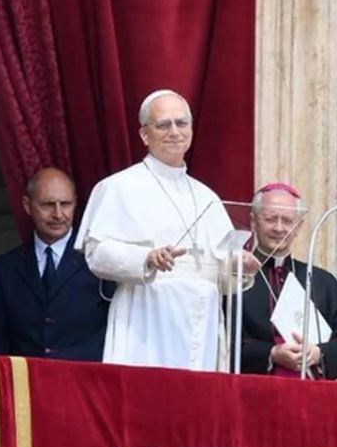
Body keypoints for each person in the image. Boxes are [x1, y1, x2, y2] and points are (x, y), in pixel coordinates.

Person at [74, 89, 258, 370]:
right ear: (145, 135)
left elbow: (221, 272)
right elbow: (96, 253)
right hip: (147, 318)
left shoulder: (207, 196)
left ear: (192, 130)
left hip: (201, 320)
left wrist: (239, 267)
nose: (174, 131)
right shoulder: (119, 187)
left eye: (181, 123)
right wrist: (146, 258)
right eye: (163, 124)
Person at [238, 182, 337, 379]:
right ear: (254, 222)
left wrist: (318, 353)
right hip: (252, 393)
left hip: (311, 394)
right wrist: (271, 354)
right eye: (271, 219)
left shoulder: (321, 281)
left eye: (287, 221)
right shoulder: (233, 278)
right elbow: (220, 343)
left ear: (298, 226)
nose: (279, 228)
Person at [0, 168, 112, 360]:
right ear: (27, 206)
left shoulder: (98, 257)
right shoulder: (6, 268)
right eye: (48, 205)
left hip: (85, 382)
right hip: (27, 383)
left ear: (76, 203)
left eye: (66, 204)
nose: (58, 214)